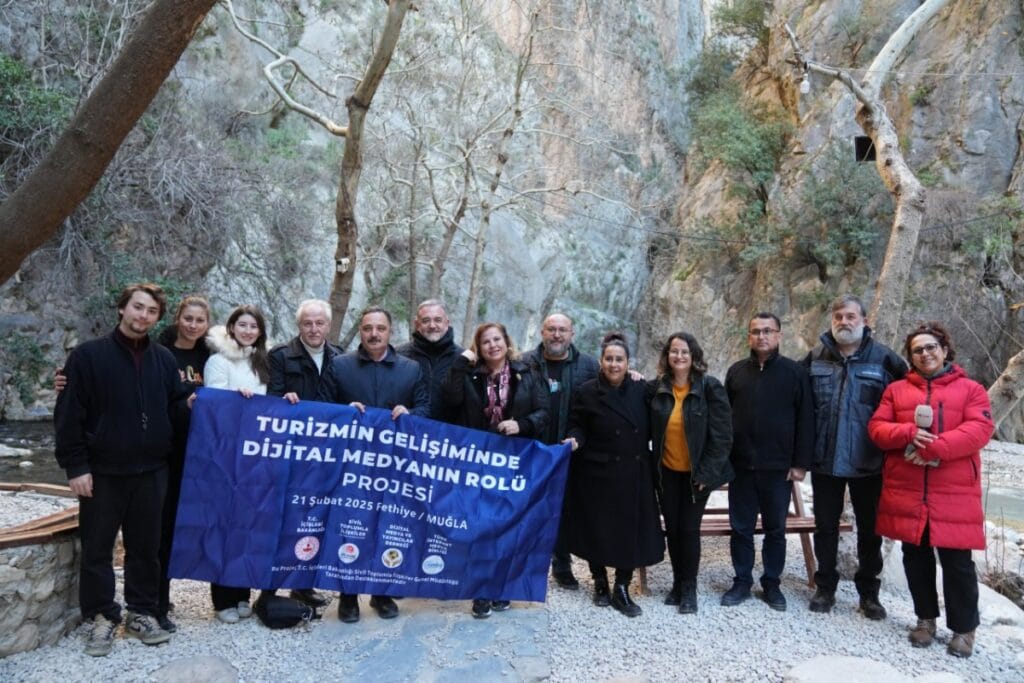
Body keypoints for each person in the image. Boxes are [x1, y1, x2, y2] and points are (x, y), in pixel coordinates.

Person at [54, 283, 187, 656]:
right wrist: (76, 466)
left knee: (146, 549)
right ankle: (100, 617)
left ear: (158, 318)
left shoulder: (163, 360)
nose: (142, 316)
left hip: (151, 471)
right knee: (97, 549)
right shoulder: (87, 356)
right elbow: (68, 415)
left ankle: (142, 612)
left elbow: (177, 406)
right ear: (122, 309)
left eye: (151, 312)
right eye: (137, 308)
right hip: (103, 471)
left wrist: (206, 402)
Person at [868, 321, 994, 658]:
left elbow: (979, 430)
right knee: (915, 556)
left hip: (952, 489)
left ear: (944, 349)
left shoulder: (971, 389)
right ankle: (925, 619)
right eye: (917, 350)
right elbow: (877, 429)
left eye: (930, 347)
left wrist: (933, 447)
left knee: (957, 562)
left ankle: (965, 629)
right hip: (907, 487)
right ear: (910, 357)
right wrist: (908, 432)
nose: (925, 354)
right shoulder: (896, 391)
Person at [317, 306, 429, 623]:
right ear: (361, 331)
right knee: (350, 526)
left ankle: (381, 593)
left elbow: (425, 407)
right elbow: (322, 409)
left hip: (394, 467)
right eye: (367, 328)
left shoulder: (410, 368)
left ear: (390, 331)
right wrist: (343, 411)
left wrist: (410, 414)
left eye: (380, 328)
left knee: (388, 528)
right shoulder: (339, 366)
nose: (374, 334)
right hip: (353, 466)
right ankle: (348, 596)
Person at [804, 295, 907, 618]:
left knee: (870, 530)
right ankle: (825, 588)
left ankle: (869, 593)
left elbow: (907, 402)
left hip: (870, 462)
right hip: (824, 460)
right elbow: (799, 407)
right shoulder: (814, 358)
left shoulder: (885, 360)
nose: (844, 322)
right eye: (838, 316)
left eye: (851, 316)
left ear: (864, 321)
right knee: (825, 528)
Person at [440, 322, 550, 618]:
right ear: (478, 347)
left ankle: (503, 586)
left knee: (508, 525)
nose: (492, 345)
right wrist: (461, 363)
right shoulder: (471, 376)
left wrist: (521, 424)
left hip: (515, 459)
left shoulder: (526, 372)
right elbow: (449, 400)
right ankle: (480, 589)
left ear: (506, 341)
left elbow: (543, 412)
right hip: (478, 460)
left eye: (497, 339)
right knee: (480, 525)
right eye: (485, 341)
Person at [564, 332, 663, 618]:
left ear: (628, 362)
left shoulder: (641, 389)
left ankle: (622, 586)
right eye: (609, 359)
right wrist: (574, 440)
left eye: (619, 359)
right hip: (596, 471)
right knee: (596, 530)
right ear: (600, 361)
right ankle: (599, 583)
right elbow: (576, 425)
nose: (614, 364)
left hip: (633, 471)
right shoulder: (586, 391)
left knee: (628, 533)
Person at [723, 312, 813, 612]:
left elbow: (806, 420)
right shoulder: (736, 372)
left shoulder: (795, 373)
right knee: (741, 528)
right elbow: (725, 421)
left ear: (779, 335)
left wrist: (800, 463)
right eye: (755, 331)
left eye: (767, 331)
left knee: (776, 529)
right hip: (741, 467)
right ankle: (741, 582)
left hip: (778, 468)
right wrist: (724, 462)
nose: (761, 336)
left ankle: (772, 584)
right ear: (748, 336)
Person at [649, 331, 733, 614]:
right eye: (674, 351)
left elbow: (722, 437)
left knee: (688, 530)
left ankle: (689, 588)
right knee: (672, 530)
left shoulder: (709, 388)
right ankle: (676, 583)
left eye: (685, 352)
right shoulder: (658, 388)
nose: (679, 356)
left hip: (697, 475)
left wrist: (707, 474)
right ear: (667, 356)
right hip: (668, 473)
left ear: (694, 356)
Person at [265, 298, 341, 608]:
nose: (313, 329)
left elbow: (341, 399)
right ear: (299, 326)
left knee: (315, 519)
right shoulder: (280, 356)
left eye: (319, 323)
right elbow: (270, 398)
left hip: (324, 455)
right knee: (282, 518)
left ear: (328, 325)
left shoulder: (340, 358)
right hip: (291, 453)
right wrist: (283, 398)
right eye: (307, 323)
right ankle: (269, 588)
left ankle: (304, 584)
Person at [203, 304, 271, 623]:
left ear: (260, 332)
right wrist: (235, 397)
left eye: (253, 326)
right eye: (241, 325)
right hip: (226, 456)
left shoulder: (262, 364)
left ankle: (242, 593)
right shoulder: (217, 361)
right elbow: (214, 405)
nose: (247, 331)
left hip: (256, 458)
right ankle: (222, 600)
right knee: (225, 527)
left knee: (248, 526)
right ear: (231, 328)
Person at [521, 313, 598, 590]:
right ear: (542, 332)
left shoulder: (589, 365)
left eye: (562, 330)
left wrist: (634, 376)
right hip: (531, 449)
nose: (557, 335)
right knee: (528, 507)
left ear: (572, 334)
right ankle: (526, 566)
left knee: (563, 510)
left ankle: (562, 566)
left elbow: (607, 393)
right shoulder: (525, 362)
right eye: (551, 329)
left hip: (570, 451)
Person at [153, 295, 212, 632]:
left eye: (199, 320)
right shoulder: (159, 352)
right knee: (160, 527)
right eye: (187, 318)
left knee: (186, 525)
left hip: (202, 453)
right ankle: (157, 601)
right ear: (178, 318)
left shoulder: (212, 355)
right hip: (166, 450)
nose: (192, 325)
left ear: (206, 324)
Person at [396, 299, 464, 421]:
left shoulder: (462, 358)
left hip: (449, 435)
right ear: (417, 325)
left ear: (447, 323)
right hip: (409, 431)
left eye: (438, 320)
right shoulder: (400, 356)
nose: (432, 325)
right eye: (426, 321)